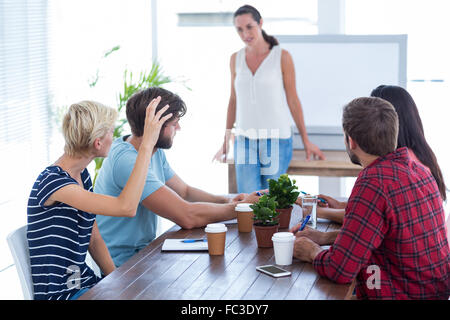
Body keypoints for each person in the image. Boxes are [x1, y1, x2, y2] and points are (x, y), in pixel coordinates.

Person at [290, 97, 449, 299]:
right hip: (432, 292)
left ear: (351, 141)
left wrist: (312, 251)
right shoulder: (418, 171)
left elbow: (340, 270)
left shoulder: (373, 182)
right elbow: (384, 238)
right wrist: (324, 238)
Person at [94, 87, 260, 267]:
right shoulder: (127, 160)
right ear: (155, 124)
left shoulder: (152, 150)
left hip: (144, 253)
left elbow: (184, 191)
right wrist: (241, 208)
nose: (178, 128)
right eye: (174, 123)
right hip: (121, 265)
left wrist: (226, 201)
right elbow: (186, 216)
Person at [27, 99, 171, 300]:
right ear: (98, 142)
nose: (115, 137)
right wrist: (146, 145)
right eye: (111, 132)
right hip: (63, 295)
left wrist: (118, 281)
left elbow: (94, 239)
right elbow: (126, 207)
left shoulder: (81, 177)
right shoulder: (54, 183)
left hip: (85, 284)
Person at [213, 4, 324, 194]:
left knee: (271, 202)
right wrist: (225, 140)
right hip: (244, 140)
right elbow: (233, 100)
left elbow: (293, 101)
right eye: (239, 29)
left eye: (249, 26)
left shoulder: (282, 56)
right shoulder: (235, 59)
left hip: (276, 139)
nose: (245, 33)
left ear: (260, 23)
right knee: (249, 200)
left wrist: (305, 140)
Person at [306, 85, 447, 224]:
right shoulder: (418, 156)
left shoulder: (407, 165)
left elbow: (368, 219)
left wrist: (318, 212)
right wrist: (340, 205)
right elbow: (381, 210)